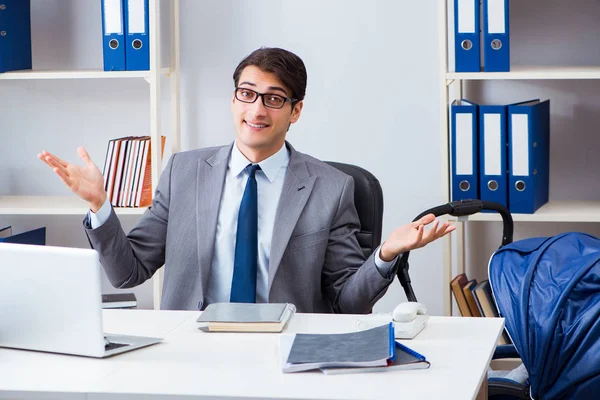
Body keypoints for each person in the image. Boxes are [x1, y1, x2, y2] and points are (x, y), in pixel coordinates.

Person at [38, 47, 454, 313]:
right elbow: (128, 273)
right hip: (192, 350)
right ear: (234, 98)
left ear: (295, 111)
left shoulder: (332, 187)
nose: (257, 109)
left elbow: (347, 303)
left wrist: (385, 253)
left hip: (285, 351)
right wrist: (100, 206)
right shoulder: (184, 171)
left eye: (274, 99)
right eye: (247, 93)